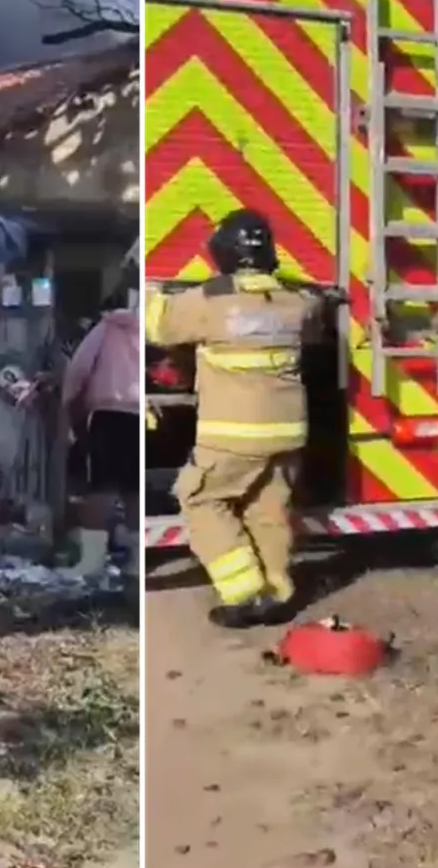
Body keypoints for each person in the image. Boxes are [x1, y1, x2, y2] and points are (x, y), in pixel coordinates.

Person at [144, 208, 322, 627]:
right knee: (269, 508)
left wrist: (150, 287)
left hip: (232, 434)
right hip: (289, 432)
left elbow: (158, 327)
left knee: (200, 497)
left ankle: (243, 594)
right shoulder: (297, 303)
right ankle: (278, 593)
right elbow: (315, 312)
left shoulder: (210, 300)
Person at [62, 291, 141, 576]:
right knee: (134, 490)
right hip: (141, 415)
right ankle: (136, 563)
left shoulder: (105, 329)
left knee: (101, 488)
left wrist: (71, 407)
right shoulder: (143, 330)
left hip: (109, 414)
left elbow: (78, 370)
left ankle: (92, 563)